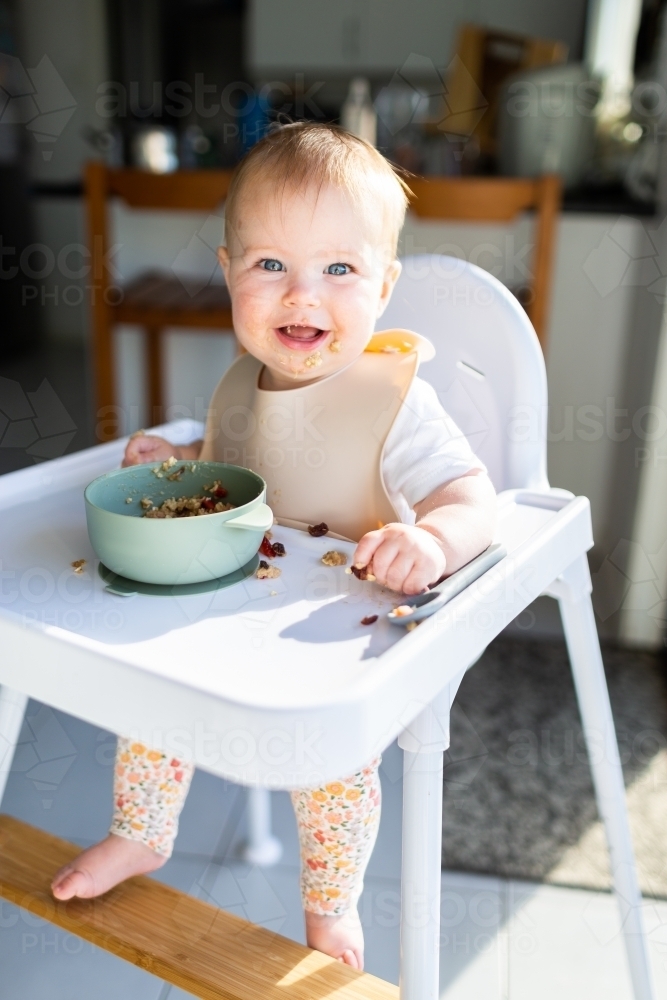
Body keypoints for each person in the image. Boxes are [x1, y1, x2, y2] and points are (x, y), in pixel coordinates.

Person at [51, 122, 496, 969]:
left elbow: (471, 498)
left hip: (332, 634)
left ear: (383, 285)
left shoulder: (394, 398)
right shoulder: (236, 387)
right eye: (270, 267)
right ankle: (141, 833)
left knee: (328, 773)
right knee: (153, 705)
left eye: (338, 270)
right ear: (227, 273)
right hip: (230, 615)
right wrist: (178, 463)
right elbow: (233, 474)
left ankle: (331, 906)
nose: (302, 297)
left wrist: (430, 540)